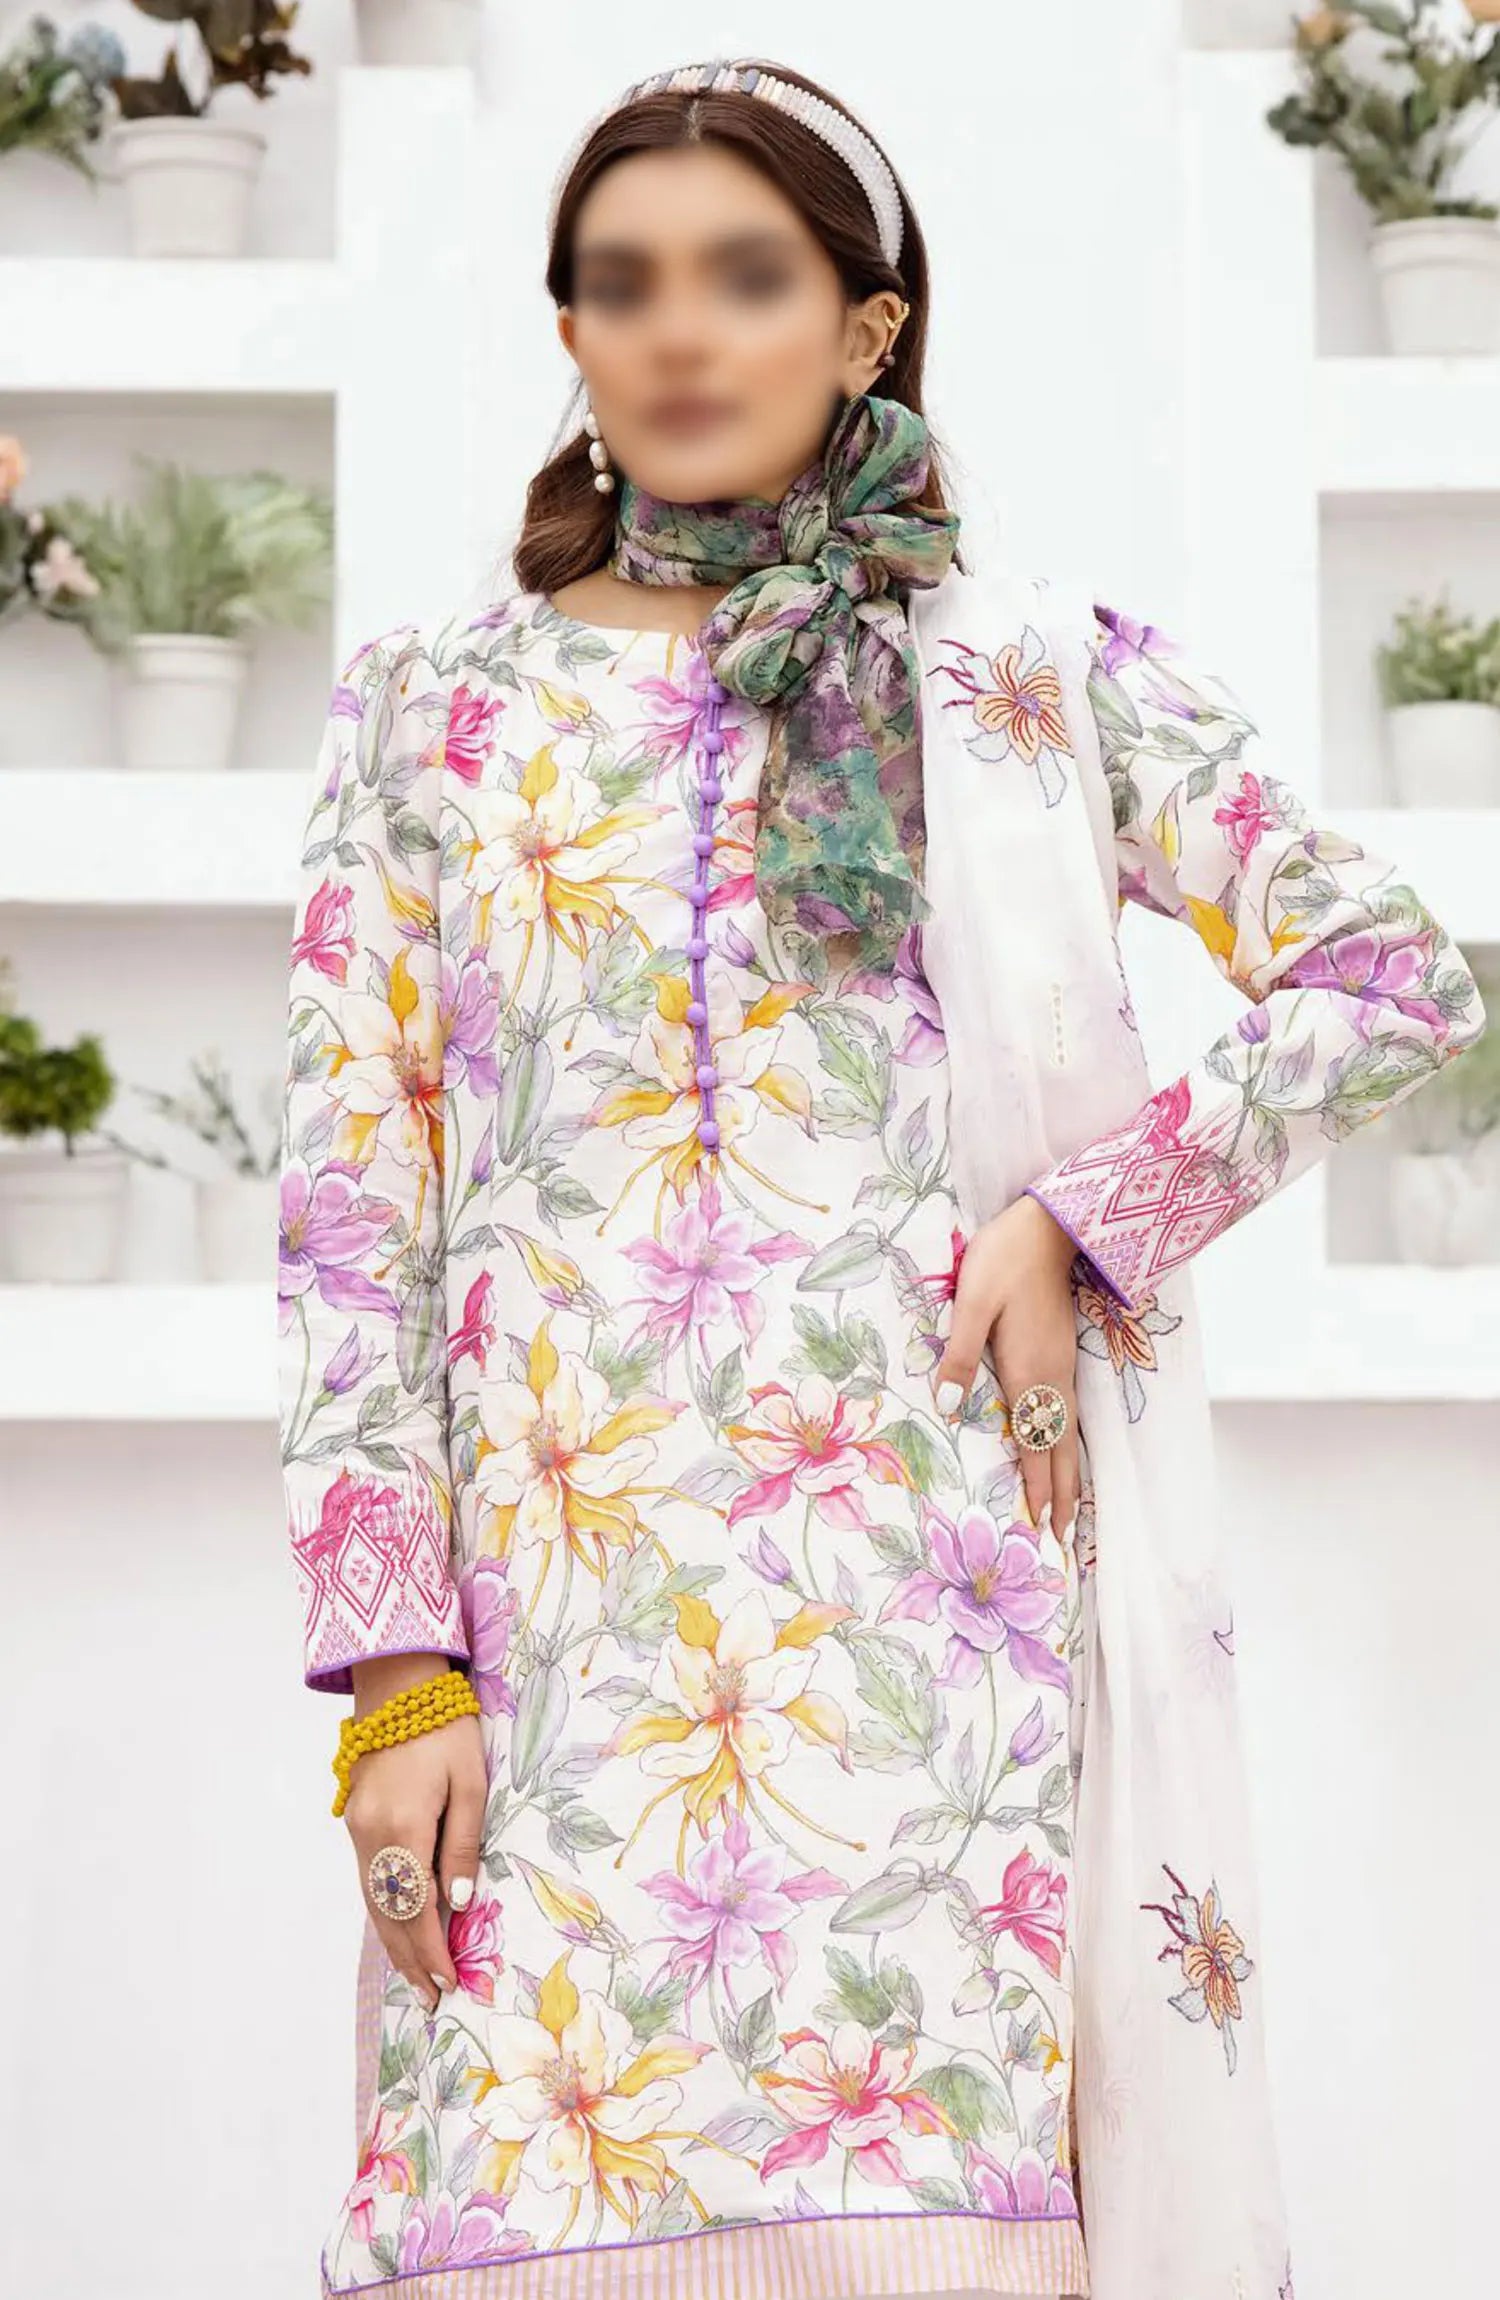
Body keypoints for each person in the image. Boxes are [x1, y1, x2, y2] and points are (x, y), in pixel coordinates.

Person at [276, 55, 1487, 2300]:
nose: (679, 334)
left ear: (866, 328)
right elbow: (359, 1226)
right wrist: (398, 1683)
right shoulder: (429, 711)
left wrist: (1089, 1218)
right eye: (623, 284)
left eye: (747, 278)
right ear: (571, 331)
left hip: (933, 1654)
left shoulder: (1021, 674)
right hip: (553, 1670)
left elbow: (1390, 972)